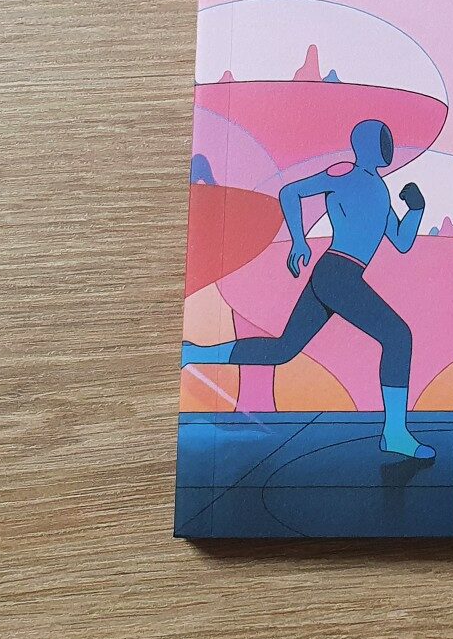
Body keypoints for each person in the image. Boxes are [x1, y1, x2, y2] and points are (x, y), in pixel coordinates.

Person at [182, 119, 434, 460]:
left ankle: (193, 354)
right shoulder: (345, 173)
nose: (387, 145)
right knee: (398, 337)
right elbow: (290, 192)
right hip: (337, 273)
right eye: (381, 139)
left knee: (283, 350)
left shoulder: (380, 190)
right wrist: (298, 241)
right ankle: (394, 434)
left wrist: (416, 210)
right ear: (365, 145)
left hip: (339, 276)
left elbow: (402, 242)